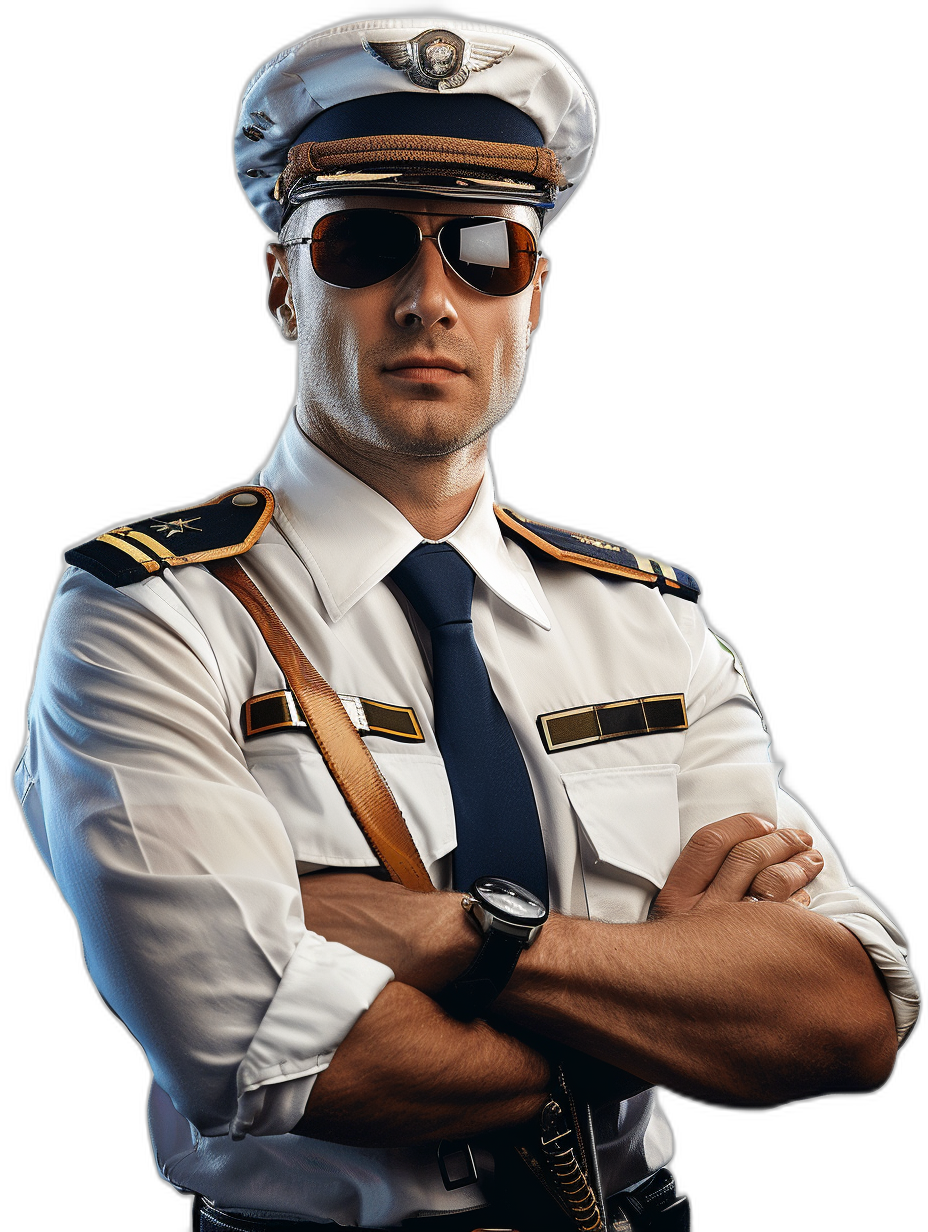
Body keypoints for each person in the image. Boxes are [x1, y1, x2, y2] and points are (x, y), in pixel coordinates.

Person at [13, 13, 918, 1232]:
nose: (429, 298)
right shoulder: (149, 616)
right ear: (285, 284)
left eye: (487, 249)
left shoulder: (647, 621)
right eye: (367, 243)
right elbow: (266, 1057)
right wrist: (664, 998)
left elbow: (843, 1015)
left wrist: (454, 937)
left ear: (535, 293)